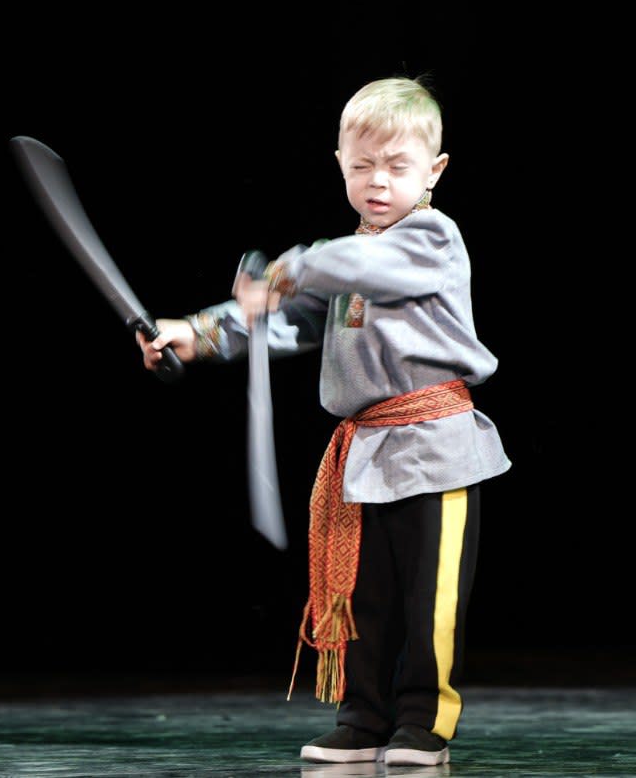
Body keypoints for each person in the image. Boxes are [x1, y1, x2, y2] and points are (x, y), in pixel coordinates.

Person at [136, 76, 510, 767]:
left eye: (397, 166)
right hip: (366, 454)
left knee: (429, 599)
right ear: (340, 163)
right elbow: (282, 321)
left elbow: (355, 265)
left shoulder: (429, 239)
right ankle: (363, 717)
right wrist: (197, 332)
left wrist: (284, 272)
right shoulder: (339, 262)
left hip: (435, 447)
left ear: (434, 170)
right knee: (364, 596)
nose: (378, 181)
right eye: (362, 165)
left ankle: (424, 723)